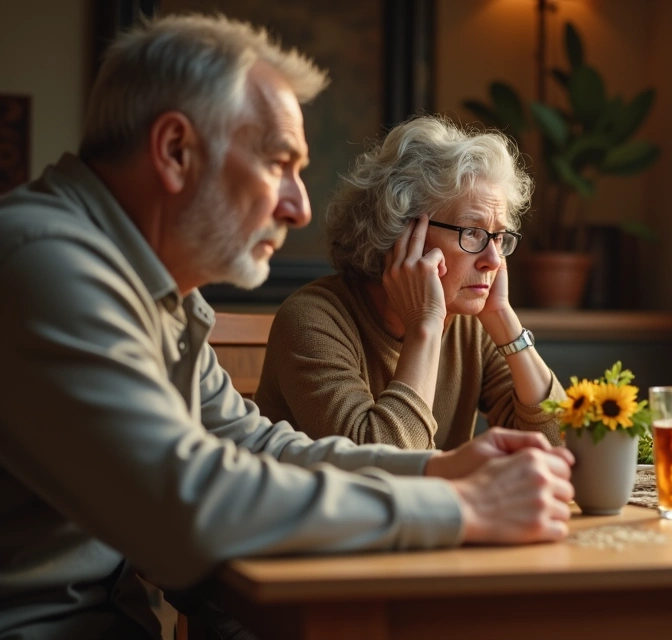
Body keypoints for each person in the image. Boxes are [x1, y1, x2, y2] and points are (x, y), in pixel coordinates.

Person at [0, 15, 573, 639]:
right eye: (279, 163)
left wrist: (437, 472)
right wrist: (460, 507)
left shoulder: (161, 296)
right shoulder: (45, 265)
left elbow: (256, 446)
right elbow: (188, 502)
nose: (298, 207)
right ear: (174, 151)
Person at [254, 116, 562, 450]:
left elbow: (562, 444)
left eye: (499, 237)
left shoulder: (470, 325)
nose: (493, 259)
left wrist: (503, 320)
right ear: (402, 232)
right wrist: (425, 326)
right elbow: (379, 460)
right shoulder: (312, 321)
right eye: (472, 232)